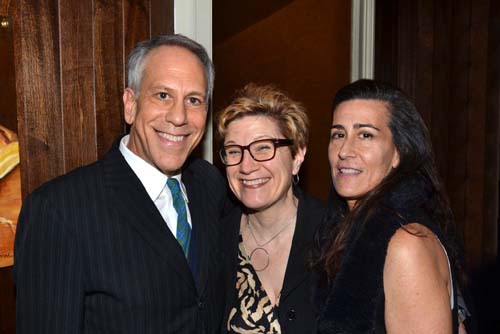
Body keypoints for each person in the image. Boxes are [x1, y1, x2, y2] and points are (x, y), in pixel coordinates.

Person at [14, 34, 227, 334]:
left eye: (193, 100)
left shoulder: (209, 184)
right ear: (130, 104)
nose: (179, 117)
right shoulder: (59, 210)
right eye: (163, 95)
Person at [314, 79, 465, 333]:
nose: (345, 150)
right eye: (338, 134)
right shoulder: (346, 230)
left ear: (398, 154)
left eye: (365, 135)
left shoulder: (407, 243)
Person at [216, 83, 325, 334]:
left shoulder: (338, 235)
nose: (247, 166)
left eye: (264, 148)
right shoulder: (215, 241)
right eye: (234, 152)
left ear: (297, 156)